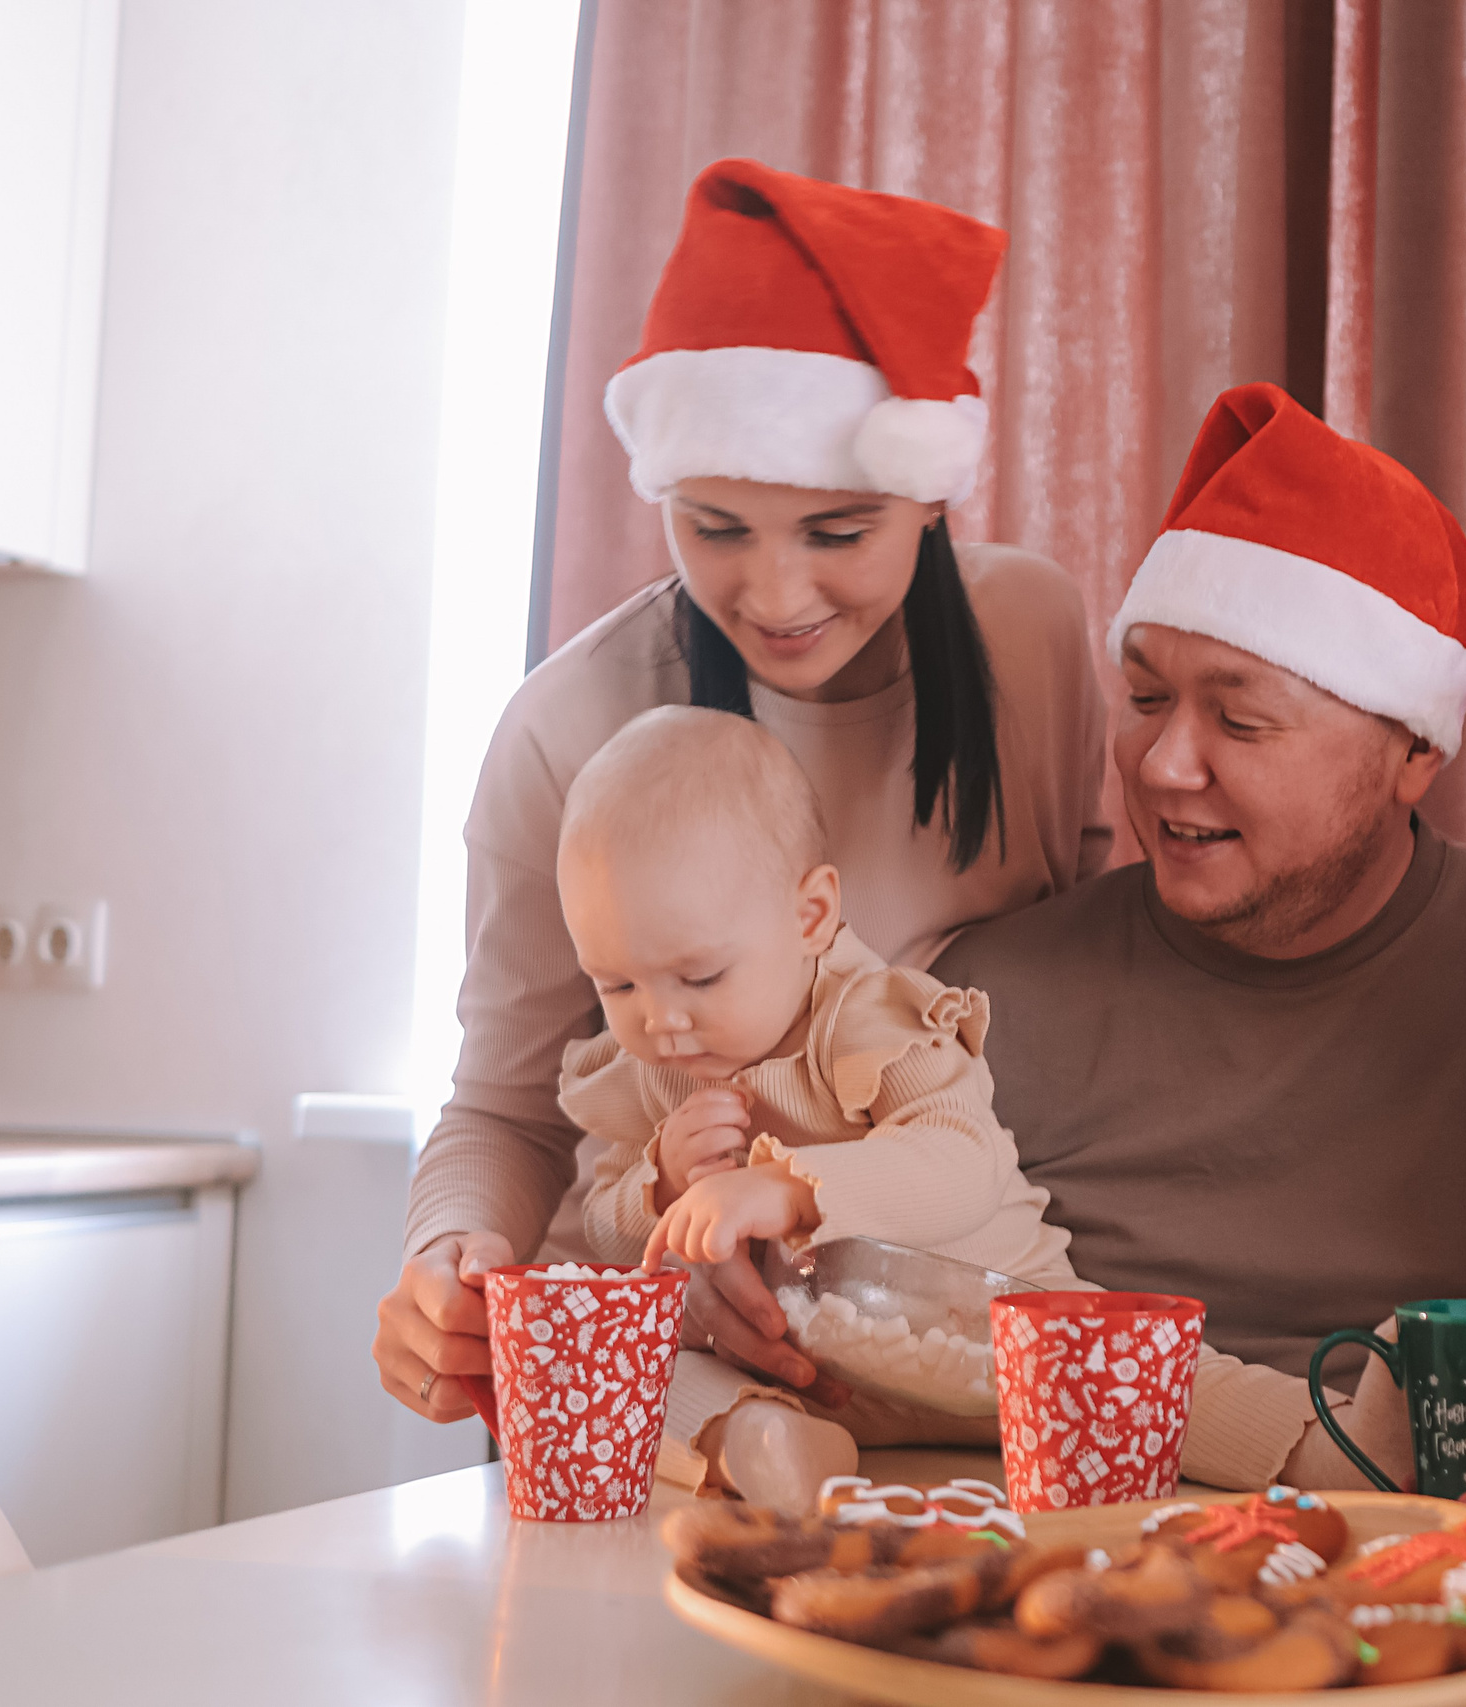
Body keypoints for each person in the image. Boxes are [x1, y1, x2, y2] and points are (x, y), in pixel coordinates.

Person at [373, 160, 1110, 1474]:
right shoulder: (568, 726)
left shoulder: (1035, 646)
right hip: (690, 1392)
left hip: (955, 1366)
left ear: (932, 493)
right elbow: (509, 1110)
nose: (774, 593)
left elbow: (1086, 999)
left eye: (838, 529)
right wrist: (449, 1259)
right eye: (713, 528)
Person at [931, 382, 1466, 1491]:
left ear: (1412, 752)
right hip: (1068, 1541)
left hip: (1448, 1556)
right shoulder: (983, 999)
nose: (1162, 764)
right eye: (1143, 699)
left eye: (1240, 720)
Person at [548, 706, 1078, 1507]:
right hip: (825, 1376)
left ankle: (1320, 1441)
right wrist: (658, 1183)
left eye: (698, 978)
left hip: (1010, 1346)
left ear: (811, 916)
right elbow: (609, 1224)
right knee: (615, 1378)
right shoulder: (662, 1061)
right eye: (616, 984)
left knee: (1171, 1382)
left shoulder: (867, 1015)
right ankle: (773, 1443)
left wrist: (790, 1188)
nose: (660, 1021)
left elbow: (965, 1158)